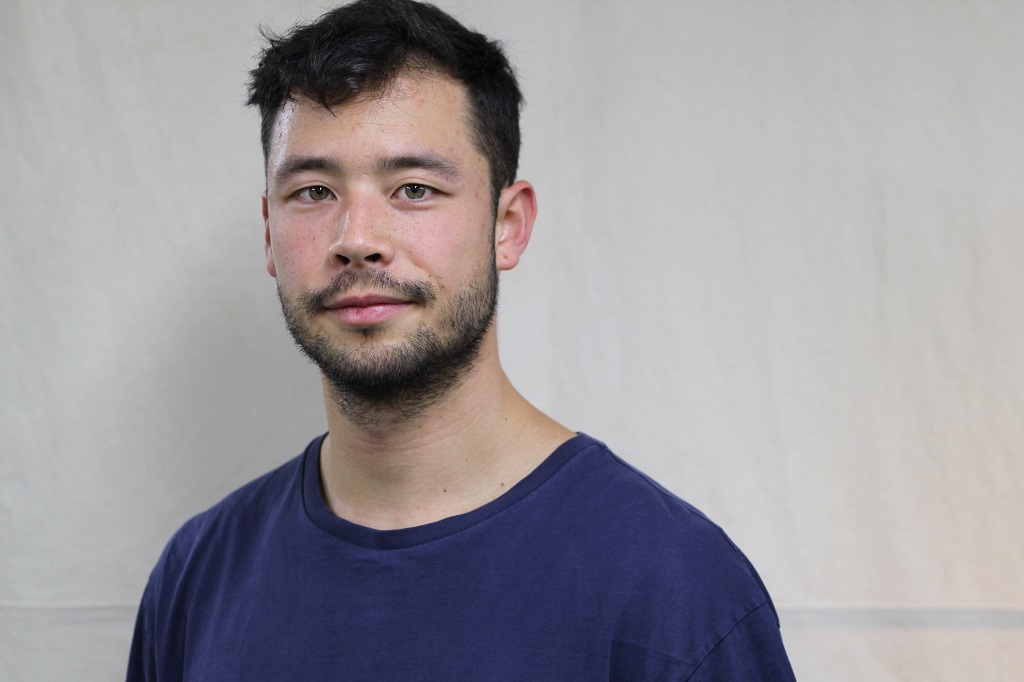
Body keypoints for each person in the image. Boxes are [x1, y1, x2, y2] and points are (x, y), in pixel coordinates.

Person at [127, 0, 796, 679]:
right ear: (269, 232)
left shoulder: (674, 589)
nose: (357, 239)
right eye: (313, 191)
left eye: (413, 189)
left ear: (507, 225)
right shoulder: (196, 577)